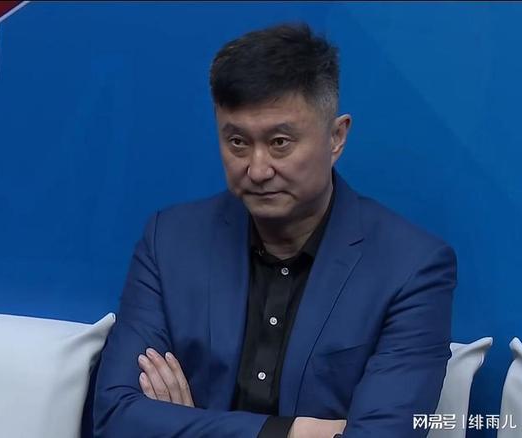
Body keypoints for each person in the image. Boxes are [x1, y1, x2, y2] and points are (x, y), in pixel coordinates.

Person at [93, 22, 456, 438]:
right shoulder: (170, 241)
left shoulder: (412, 267)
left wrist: (186, 427)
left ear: (336, 137)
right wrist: (294, 432)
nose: (258, 169)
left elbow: (385, 434)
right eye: (237, 142)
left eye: (280, 142)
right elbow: (115, 416)